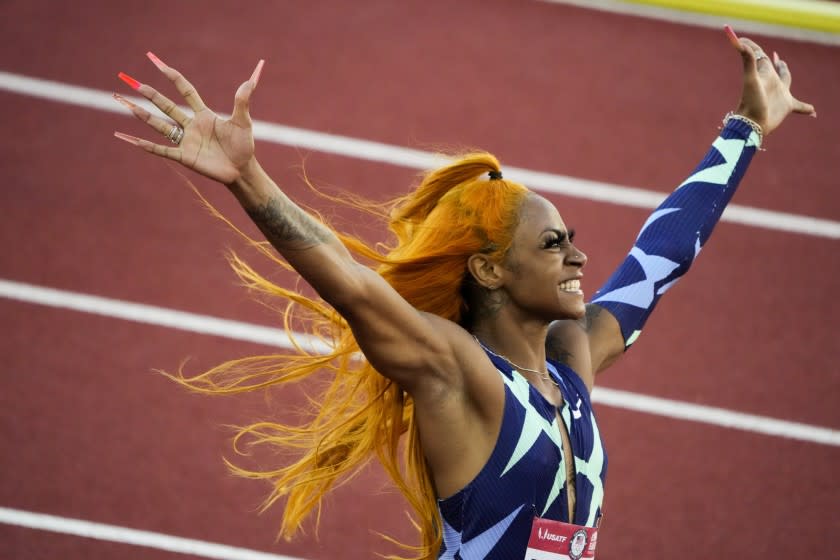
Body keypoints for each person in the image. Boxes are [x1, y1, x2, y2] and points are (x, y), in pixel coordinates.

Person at [113, 27, 814, 560]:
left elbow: (658, 261)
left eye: (569, 237)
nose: (578, 254)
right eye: (552, 244)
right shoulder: (460, 374)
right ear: (488, 272)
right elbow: (355, 288)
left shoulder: (572, 363)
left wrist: (745, 129)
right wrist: (248, 179)